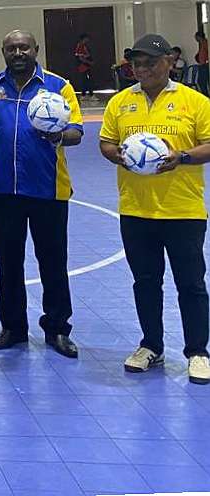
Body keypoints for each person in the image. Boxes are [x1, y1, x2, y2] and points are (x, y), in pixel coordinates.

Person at [98, 34, 210, 384]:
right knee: (145, 282)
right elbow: (106, 142)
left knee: (190, 284)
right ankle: (151, 346)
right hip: (135, 210)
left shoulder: (195, 101)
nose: (142, 68)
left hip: (183, 210)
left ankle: (197, 351)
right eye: (137, 62)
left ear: (170, 62)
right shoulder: (119, 103)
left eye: (150, 61)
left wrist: (183, 157)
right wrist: (118, 155)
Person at [0, 30, 82, 358]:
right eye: (11, 48)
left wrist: (58, 135)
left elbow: (76, 131)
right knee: (8, 264)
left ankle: (58, 329)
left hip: (48, 191)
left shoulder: (58, 86)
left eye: (24, 47)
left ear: (35, 49)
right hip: (4, 191)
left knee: (52, 263)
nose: (18, 52)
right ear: (3, 52)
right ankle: (14, 328)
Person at [74, 33, 95, 99]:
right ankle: (85, 95)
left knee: (89, 80)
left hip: (87, 66)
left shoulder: (85, 46)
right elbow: (80, 57)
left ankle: (89, 94)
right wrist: (88, 62)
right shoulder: (80, 46)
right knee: (85, 80)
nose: (88, 40)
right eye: (86, 38)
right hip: (83, 67)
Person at [197, 31, 209, 95]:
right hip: (202, 64)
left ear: (199, 37)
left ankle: (206, 95)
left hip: (205, 65)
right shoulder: (202, 43)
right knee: (201, 81)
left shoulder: (205, 42)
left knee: (202, 81)